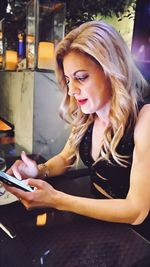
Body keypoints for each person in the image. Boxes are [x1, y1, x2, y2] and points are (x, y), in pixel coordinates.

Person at [3, 21, 150, 227]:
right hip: (96, 215)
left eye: (81, 77)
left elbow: (136, 211)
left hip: (136, 236)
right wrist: (39, 170)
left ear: (112, 71)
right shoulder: (88, 114)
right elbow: (65, 157)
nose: (71, 90)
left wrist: (57, 200)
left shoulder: (145, 119)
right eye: (68, 79)